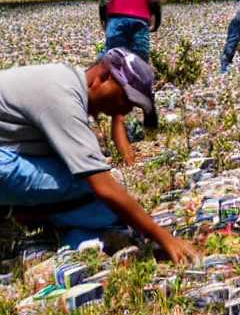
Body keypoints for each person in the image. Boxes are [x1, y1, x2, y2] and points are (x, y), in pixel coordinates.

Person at [0, 48, 196, 263]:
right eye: (126, 99)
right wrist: (163, 237)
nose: (127, 109)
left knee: (89, 185)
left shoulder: (66, 81)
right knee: (86, 185)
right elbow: (102, 186)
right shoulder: (62, 99)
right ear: (103, 78)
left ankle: (54, 225)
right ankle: (66, 230)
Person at [99, 0, 162, 165]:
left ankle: (124, 119)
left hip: (118, 19)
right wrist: (158, 19)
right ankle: (146, 114)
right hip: (136, 20)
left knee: (118, 68)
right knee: (138, 68)